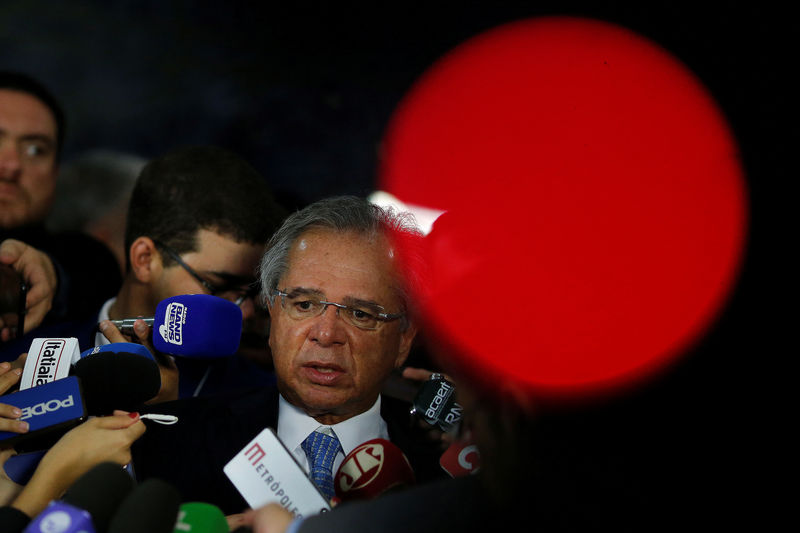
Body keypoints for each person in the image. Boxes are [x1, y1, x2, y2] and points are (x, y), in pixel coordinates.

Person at [131, 196, 445, 514]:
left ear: (404, 339)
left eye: (360, 314)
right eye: (304, 304)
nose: (325, 334)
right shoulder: (173, 437)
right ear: (273, 313)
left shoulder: (448, 472)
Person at [2, 145, 288, 399]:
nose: (246, 312)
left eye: (252, 290)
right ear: (144, 258)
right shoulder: (16, 357)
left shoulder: (256, 399)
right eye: (217, 285)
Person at [0, 71, 122, 339]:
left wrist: (45, 275)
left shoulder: (84, 261)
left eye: (35, 150)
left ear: (55, 173)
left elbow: (92, 267)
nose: (11, 166)